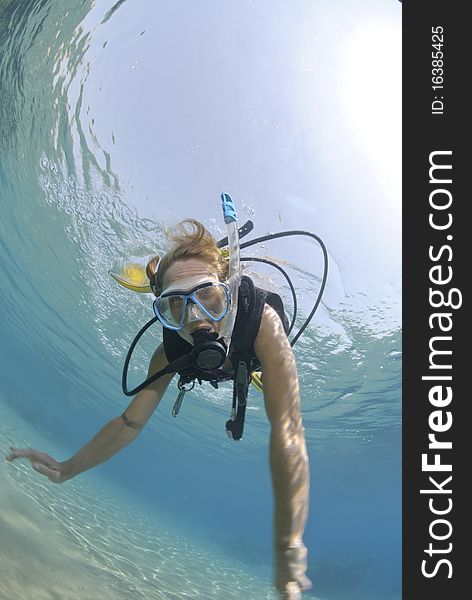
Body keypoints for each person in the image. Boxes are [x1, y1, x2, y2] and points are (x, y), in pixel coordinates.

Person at [6, 217, 313, 600]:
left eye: (209, 296)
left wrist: (289, 545)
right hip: (212, 357)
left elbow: (288, 428)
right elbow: (130, 421)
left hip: (251, 354)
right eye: (174, 308)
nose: (196, 318)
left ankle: (245, 364)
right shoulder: (172, 350)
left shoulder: (263, 323)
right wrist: (68, 468)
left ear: (229, 293)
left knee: (261, 377)